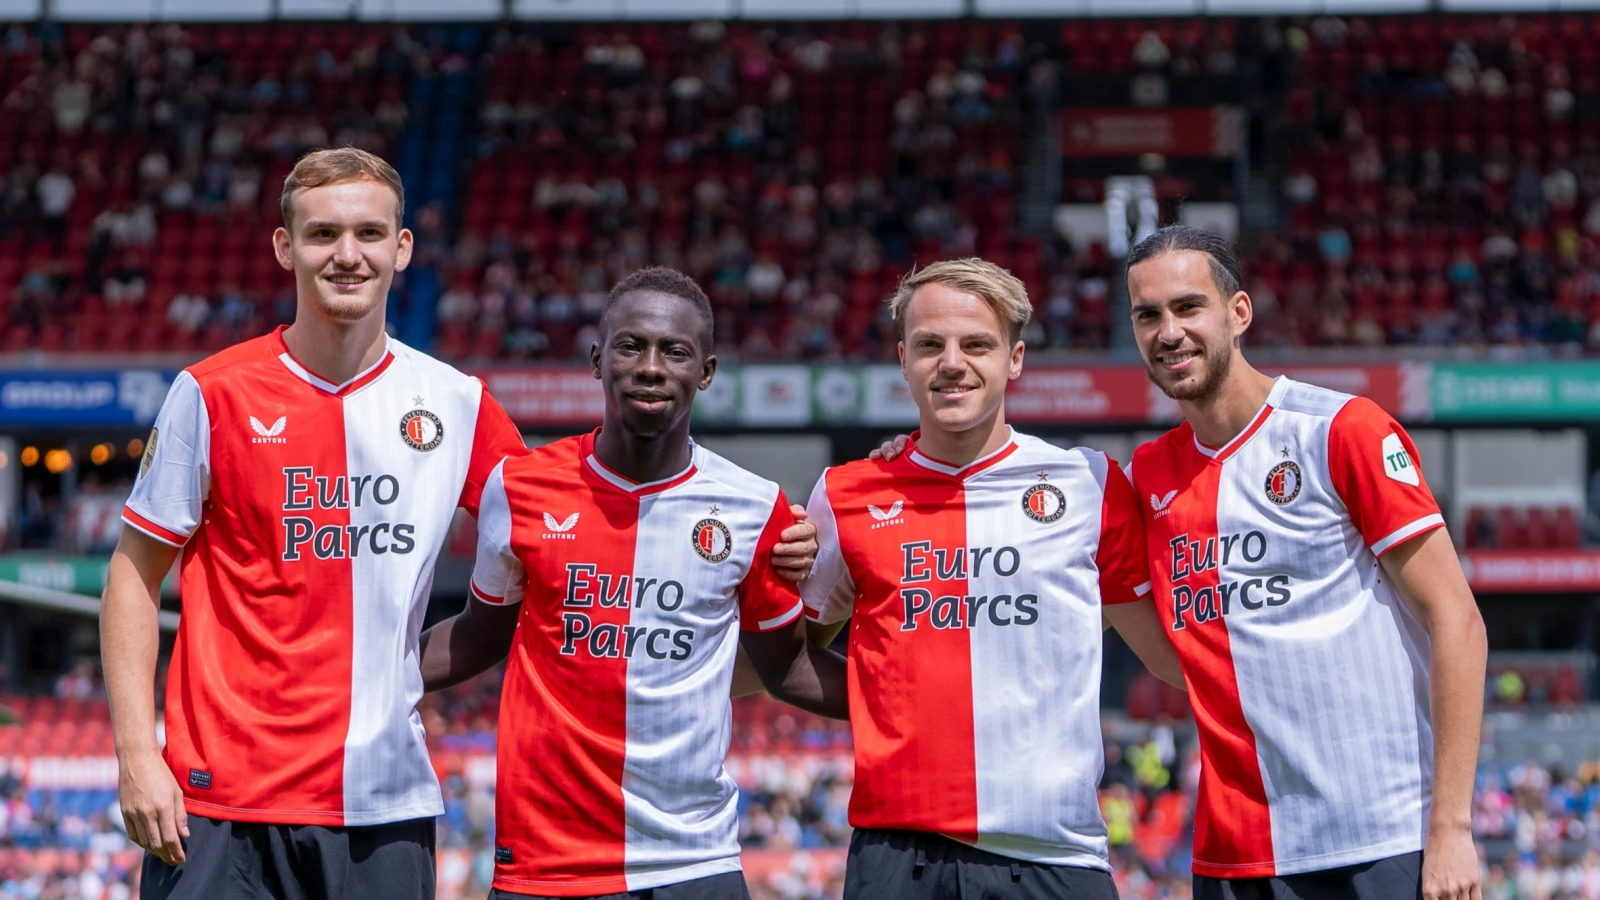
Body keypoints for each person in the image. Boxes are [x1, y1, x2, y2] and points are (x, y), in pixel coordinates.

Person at [101, 150, 818, 900]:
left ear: (401, 248)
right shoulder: (210, 394)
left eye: (370, 234)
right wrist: (135, 754)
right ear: (286, 247)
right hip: (220, 799)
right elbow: (133, 573)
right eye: (322, 235)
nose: (348, 255)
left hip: (385, 801)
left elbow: (569, 522)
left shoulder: (457, 405)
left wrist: (764, 535)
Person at [418, 266, 849, 900]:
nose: (651, 366)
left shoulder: (756, 510)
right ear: (597, 359)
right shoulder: (520, 488)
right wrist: (362, 672)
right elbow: (481, 636)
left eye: (675, 351)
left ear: (705, 371)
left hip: (693, 864)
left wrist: (919, 700)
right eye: (631, 345)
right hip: (543, 867)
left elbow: (788, 670)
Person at [1123, 225, 1486, 900]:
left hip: (1381, 839)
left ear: (1238, 313)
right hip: (1234, 857)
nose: (1168, 331)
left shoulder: (1340, 431)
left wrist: (1452, 826)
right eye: (1148, 315)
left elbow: (1457, 620)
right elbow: (1177, 657)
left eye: (1187, 307)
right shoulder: (1146, 476)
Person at [806, 258, 1184, 900]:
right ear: (903, 360)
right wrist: (889, 700)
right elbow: (786, 648)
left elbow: (1171, 656)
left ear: (1015, 359)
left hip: (1056, 859)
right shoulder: (845, 494)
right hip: (898, 856)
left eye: (976, 343)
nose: (952, 362)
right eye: (930, 345)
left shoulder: (1090, 485)